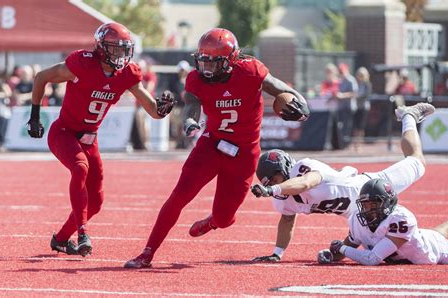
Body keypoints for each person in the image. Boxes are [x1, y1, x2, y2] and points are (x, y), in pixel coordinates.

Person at [124, 27, 310, 268]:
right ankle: (147, 252)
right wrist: (189, 121)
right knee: (178, 196)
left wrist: (301, 104)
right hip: (212, 145)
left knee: (224, 218)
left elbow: (282, 89)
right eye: (203, 62)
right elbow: (192, 105)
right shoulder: (195, 78)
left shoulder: (251, 70)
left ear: (231, 60)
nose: (207, 68)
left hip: (243, 153)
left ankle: (213, 222)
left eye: (214, 63)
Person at [26, 22, 176, 257]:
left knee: (95, 202)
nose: (121, 54)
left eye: (124, 49)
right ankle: (82, 233)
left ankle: (61, 239)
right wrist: (34, 115)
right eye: (116, 48)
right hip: (64, 132)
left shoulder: (127, 73)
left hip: (90, 139)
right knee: (79, 168)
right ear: (101, 48)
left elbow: (152, 110)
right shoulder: (82, 64)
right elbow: (41, 77)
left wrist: (163, 109)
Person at [250, 102, 435, 262]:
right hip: (358, 212)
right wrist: (277, 253)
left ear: (283, 169)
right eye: (269, 183)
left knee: (417, 161)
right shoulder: (283, 199)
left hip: (370, 188)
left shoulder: (303, 167)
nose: (273, 185)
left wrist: (272, 189)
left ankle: (408, 115)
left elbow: (306, 183)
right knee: (379, 248)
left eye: (274, 179)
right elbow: (287, 221)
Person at [318, 179, 448, 265]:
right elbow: (347, 248)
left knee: (438, 239)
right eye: (364, 204)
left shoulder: (401, 219)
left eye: (373, 204)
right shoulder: (357, 218)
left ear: (389, 203)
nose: (367, 209)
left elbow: (372, 259)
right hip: (420, 238)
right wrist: (331, 255)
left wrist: (341, 249)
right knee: (436, 233)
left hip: (432, 251)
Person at [353, 67, 372, 152]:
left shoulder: (367, 84)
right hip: (356, 106)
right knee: (355, 126)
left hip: (363, 107)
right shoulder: (356, 84)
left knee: (361, 127)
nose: (359, 77)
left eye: (361, 75)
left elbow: (366, 95)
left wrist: (357, 96)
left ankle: (359, 143)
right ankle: (355, 143)